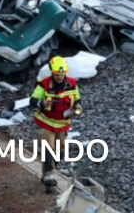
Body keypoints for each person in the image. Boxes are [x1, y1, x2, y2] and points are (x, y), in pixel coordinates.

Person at [29, 56, 82, 193]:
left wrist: (77, 109)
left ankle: (50, 171)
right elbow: (33, 101)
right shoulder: (44, 84)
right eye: (57, 74)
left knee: (60, 151)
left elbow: (77, 100)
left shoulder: (72, 84)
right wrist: (42, 103)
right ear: (52, 72)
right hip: (47, 122)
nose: (59, 77)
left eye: (62, 74)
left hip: (63, 124)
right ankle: (49, 178)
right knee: (49, 149)